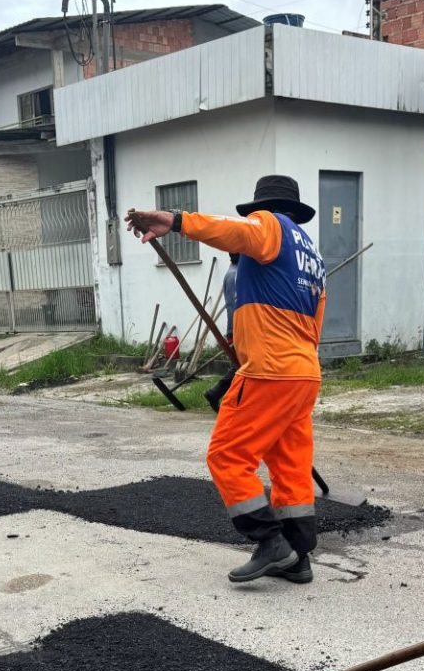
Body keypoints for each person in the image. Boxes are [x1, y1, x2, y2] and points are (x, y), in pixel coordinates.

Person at [126, 177, 326, 585]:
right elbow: (314, 324)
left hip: (270, 371)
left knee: (227, 457)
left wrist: (176, 221)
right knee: (291, 465)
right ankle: (298, 556)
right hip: (304, 372)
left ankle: (270, 542)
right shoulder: (312, 256)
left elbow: (234, 231)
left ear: (262, 207)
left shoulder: (268, 225)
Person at [202, 252, 242, 410]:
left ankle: (216, 394)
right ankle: (221, 396)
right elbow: (234, 307)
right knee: (242, 367)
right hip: (237, 329)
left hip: (238, 328)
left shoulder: (237, 271)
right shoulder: (234, 275)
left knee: (239, 367)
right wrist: (235, 333)